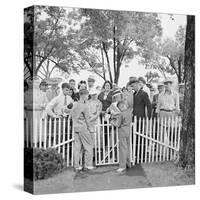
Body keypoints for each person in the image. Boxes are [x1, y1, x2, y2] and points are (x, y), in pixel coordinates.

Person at [70, 89, 95, 171]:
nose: (88, 97)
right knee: (89, 146)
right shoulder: (85, 106)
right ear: (83, 95)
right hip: (83, 127)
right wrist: (90, 128)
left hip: (75, 127)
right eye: (87, 95)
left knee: (77, 147)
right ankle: (88, 165)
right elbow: (87, 119)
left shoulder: (74, 104)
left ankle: (77, 166)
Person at [115, 100, 132, 172]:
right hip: (128, 130)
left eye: (119, 108)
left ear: (121, 106)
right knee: (127, 147)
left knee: (123, 149)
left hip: (122, 131)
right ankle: (128, 163)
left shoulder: (121, 114)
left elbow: (117, 124)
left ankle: (122, 166)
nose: (119, 109)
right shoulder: (129, 112)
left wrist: (112, 122)